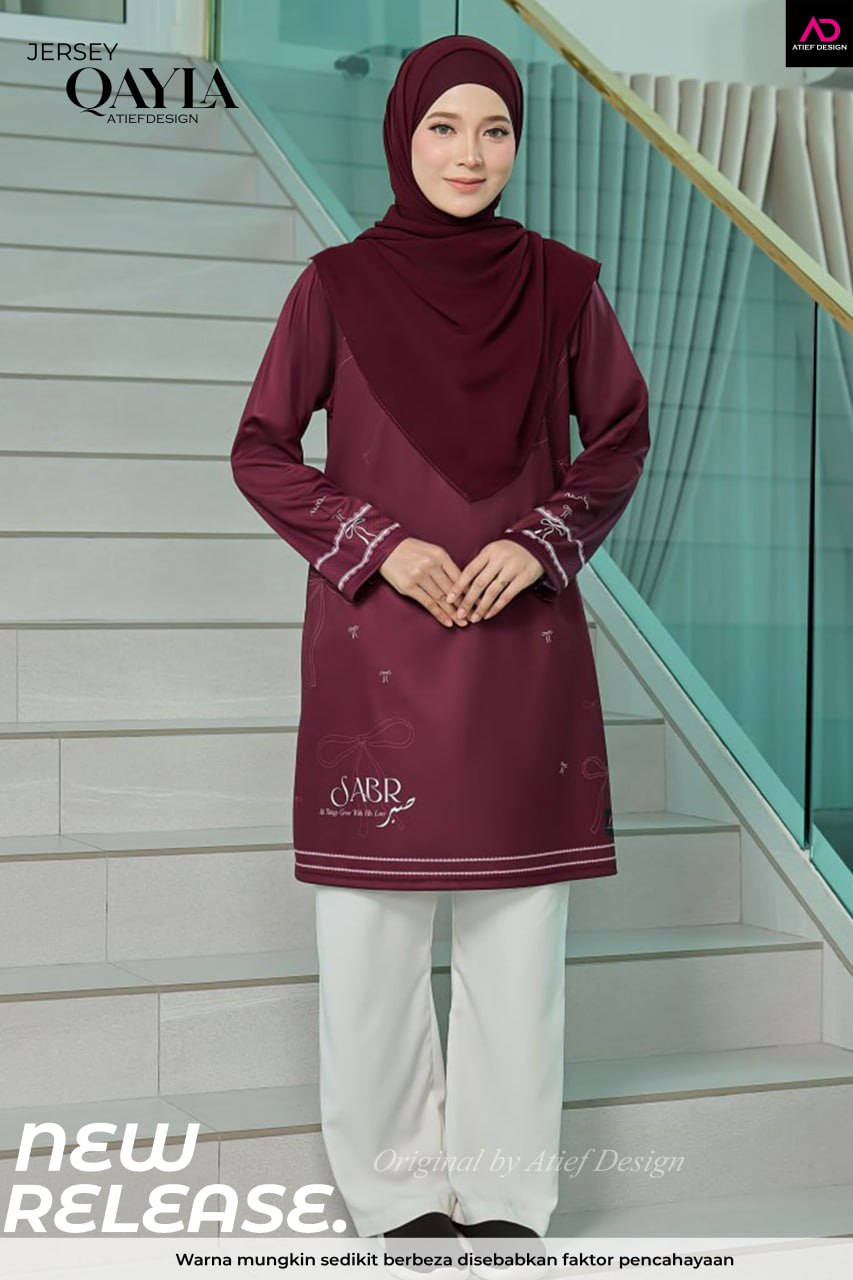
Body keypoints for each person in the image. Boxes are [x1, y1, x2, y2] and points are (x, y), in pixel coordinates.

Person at [230, 32, 650, 1269]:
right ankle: (394, 1190)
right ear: (401, 134)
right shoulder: (334, 286)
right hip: (378, 642)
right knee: (369, 933)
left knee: (519, 931)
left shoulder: (563, 287)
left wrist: (539, 543)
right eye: (444, 128)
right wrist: (377, 545)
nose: (470, 155)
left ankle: (508, 1190)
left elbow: (617, 436)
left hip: (520, 642)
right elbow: (261, 448)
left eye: (495, 130)